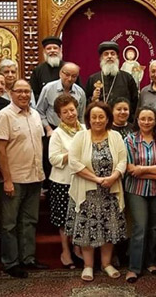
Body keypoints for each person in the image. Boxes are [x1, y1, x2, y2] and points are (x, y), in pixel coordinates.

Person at [65, 101, 127, 282]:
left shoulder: (115, 136)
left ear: (108, 118)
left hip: (110, 191)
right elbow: (74, 163)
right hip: (87, 193)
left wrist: (114, 176)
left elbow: (123, 161)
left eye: (101, 117)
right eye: (94, 117)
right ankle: (88, 266)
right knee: (86, 230)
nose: (98, 120)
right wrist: (98, 179)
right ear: (88, 119)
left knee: (109, 228)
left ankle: (106, 263)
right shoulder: (81, 136)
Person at [0, 79, 48, 278]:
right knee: (9, 224)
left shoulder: (35, 115)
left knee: (29, 221)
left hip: (35, 177)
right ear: (11, 93)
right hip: (14, 178)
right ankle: (11, 262)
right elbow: (0, 149)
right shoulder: (4, 116)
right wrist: (6, 180)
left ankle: (28, 258)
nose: (24, 95)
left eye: (27, 92)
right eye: (20, 92)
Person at [123, 106, 156, 283]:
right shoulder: (130, 140)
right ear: (137, 120)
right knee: (140, 227)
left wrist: (143, 170)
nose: (147, 122)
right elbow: (130, 169)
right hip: (136, 189)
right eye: (143, 119)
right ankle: (134, 267)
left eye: (150, 119)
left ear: (155, 121)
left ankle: (150, 261)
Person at [48, 94, 86, 270]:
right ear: (59, 115)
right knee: (64, 220)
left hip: (82, 180)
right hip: (62, 182)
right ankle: (65, 252)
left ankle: (78, 247)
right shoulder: (57, 133)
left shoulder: (85, 129)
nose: (70, 114)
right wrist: (73, 155)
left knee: (80, 217)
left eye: (72, 109)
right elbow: (53, 159)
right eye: (65, 112)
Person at [37, 62, 86, 193]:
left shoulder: (80, 92)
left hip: (77, 131)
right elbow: (40, 111)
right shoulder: (48, 88)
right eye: (67, 75)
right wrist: (48, 129)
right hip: (52, 130)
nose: (70, 79)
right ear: (60, 73)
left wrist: (81, 132)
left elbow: (81, 115)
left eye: (74, 76)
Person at [86, 41, 138, 121]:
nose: (109, 56)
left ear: (117, 57)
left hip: (122, 122)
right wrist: (93, 99)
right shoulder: (93, 78)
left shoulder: (127, 78)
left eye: (112, 54)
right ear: (101, 58)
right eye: (106, 54)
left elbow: (135, 102)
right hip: (99, 121)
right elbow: (86, 102)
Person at [31, 36, 82, 102]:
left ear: (60, 50)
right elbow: (34, 94)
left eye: (55, 48)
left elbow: (79, 90)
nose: (52, 51)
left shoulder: (69, 68)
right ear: (44, 51)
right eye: (48, 48)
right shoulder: (38, 70)